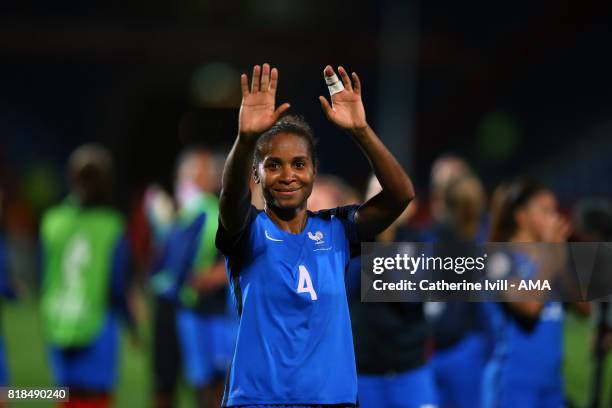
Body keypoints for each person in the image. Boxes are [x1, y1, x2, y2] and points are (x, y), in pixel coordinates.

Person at [215, 63, 414, 407]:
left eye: (298, 164)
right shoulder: (247, 231)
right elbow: (231, 198)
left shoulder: (337, 230)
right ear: (257, 174)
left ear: (314, 171)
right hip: (259, 400)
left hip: (331, 400)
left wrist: (361, 131)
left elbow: (400, 195)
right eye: (273, 165)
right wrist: (245, 139)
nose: (287, 174)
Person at [39, 144, 136, 408]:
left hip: (58, 321)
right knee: (95, 399)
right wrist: (133, 325)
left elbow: (44, 275)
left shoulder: (52, 221)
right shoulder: (112, 226)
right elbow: (117, 286)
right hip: (97, 325)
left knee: (65, 397)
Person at [349, 175, 438, 408]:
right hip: (364, 374)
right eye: (376, 195)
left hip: (410, 372)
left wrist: (384, 241)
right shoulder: (351, 243)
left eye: (389, 195)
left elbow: (408, 297)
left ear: (411, 207)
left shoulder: (421, 244)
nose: (383, 203)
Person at [481, 179, 570, 408]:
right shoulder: (500, 259)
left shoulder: (551, 258)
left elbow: (585, 308)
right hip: (514, 384)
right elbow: (529, 307)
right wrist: (551, 255)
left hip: (551, 383)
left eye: (555, 211)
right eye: (545, 211)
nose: (555, 219)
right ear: (521, 215)